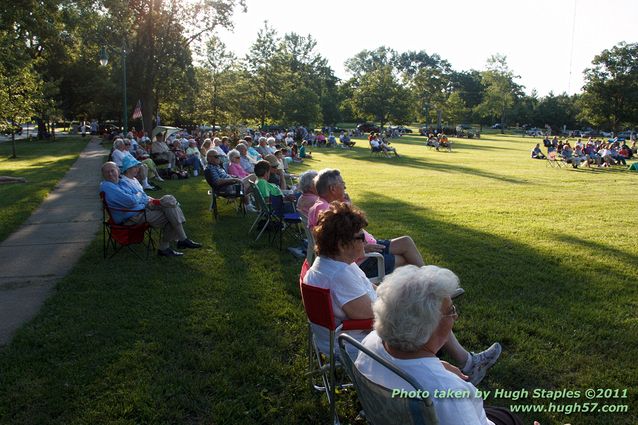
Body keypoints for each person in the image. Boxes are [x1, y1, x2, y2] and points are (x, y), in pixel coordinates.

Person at [355, 265, 521, 425]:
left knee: (502, 414)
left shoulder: (369, 343)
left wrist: (435, 367)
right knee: (509, 417)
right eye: (451, 310)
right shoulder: (448, 394)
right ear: (429, 325)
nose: (455, 316)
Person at [308, 169, 426, 279]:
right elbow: (334, 244)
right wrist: (363, 247)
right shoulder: (325, 210)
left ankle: (427, 279)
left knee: (406, 241)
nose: (345, 186)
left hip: (366, 246)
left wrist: (347, 204)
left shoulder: (324, 205)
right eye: (342, 183)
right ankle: (427, 283)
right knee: (405, 260)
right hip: (362, 257)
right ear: (333, 189)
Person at [100, 161, 201, 257]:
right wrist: (138, 196)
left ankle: (180, 241)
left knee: (169, 199)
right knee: (171, 215)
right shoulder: (108, 186)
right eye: (107, 172)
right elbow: (131, 201)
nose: (110, 174)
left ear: (118, 170)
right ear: (103, 174)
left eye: (112, 170)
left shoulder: (122, 182)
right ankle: (171, 245)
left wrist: (138, 197)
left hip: (142, 209)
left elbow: (142, 196)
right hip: (132, 216)